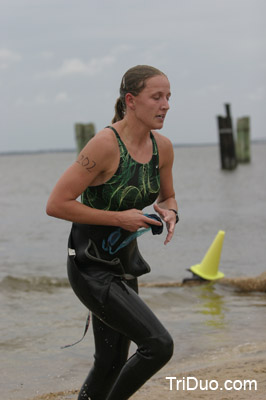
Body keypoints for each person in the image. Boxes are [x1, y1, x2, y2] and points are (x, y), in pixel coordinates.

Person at [46, 65, 178, 400]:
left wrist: (170, 211)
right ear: (131, 100)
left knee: (110, 363)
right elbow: (57, 204)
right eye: (157, 97)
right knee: (158, 345)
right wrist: (120, 219)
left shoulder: (163, 148)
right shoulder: (104, 145)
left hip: (124, 265)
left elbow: (168, 196)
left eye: (168, 97)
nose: (165, 105)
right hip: (89, 265)